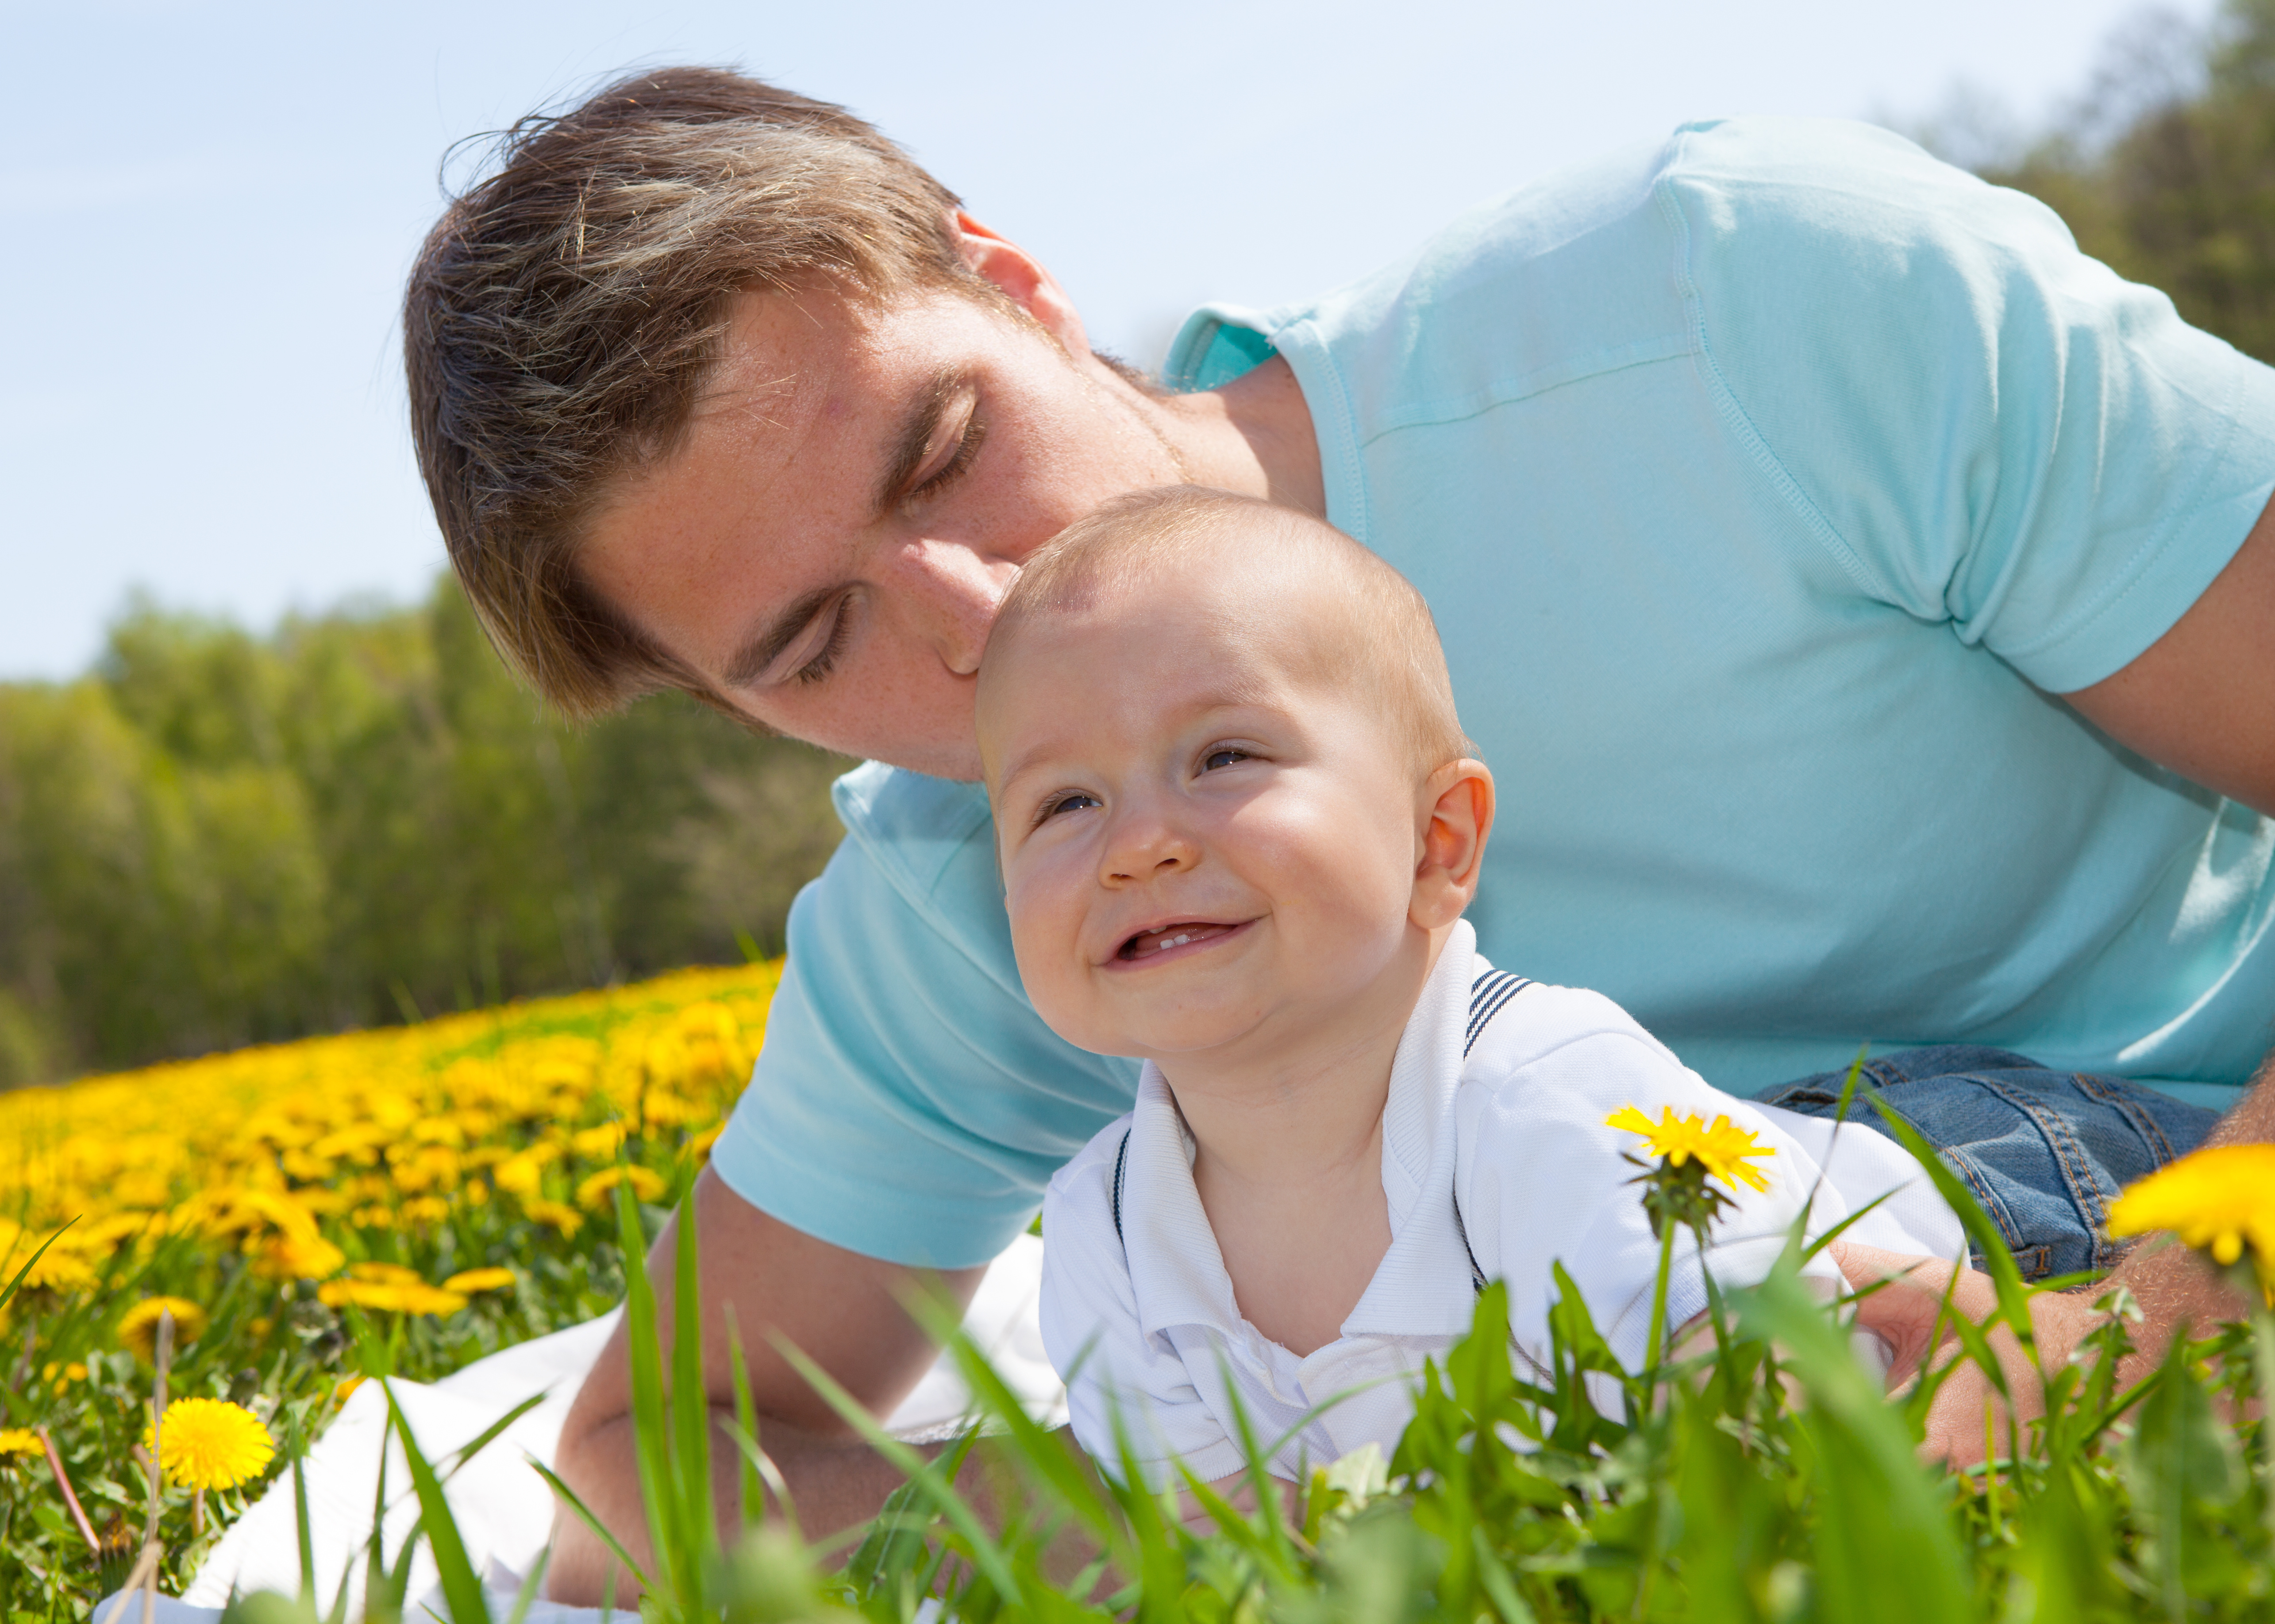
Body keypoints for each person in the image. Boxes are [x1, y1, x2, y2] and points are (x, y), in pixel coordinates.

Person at [401, 67, 2275, 1599]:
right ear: (731, 712)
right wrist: (1142, 1517)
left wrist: (2161, 1314)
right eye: (815, 643)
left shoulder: (1746, 312)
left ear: (1012, 279)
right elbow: (643, 1463)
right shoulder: (968, 892)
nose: (981, 619)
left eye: (945, 443)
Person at [983, 485, 2211, 1488]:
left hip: (2003, 1192)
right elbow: (1224, 1545)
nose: (1140, 842)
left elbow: (1752, 1443)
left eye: (1225, 756)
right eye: (1066, 802)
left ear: (1439, 844)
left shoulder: (1542, 1100)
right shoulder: (1107, 1235)